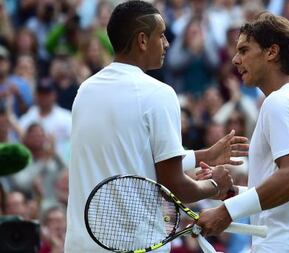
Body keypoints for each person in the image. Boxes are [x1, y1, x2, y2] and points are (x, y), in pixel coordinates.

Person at [64, 1, 248, 253]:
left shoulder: (85, 90)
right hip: (137, 245)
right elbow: (176, 186)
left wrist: (204, 156)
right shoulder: (159, 94)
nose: (167, 43)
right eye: (161, 36)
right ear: (142, 40)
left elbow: (131, 159)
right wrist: (216, 185)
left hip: (80, 245)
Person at [195, 12, 289, 252]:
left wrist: (226, 212)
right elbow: (287, 194)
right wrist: (231, 193)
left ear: (271, 52)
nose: (236, 60)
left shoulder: (280, 102)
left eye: (244, 50)